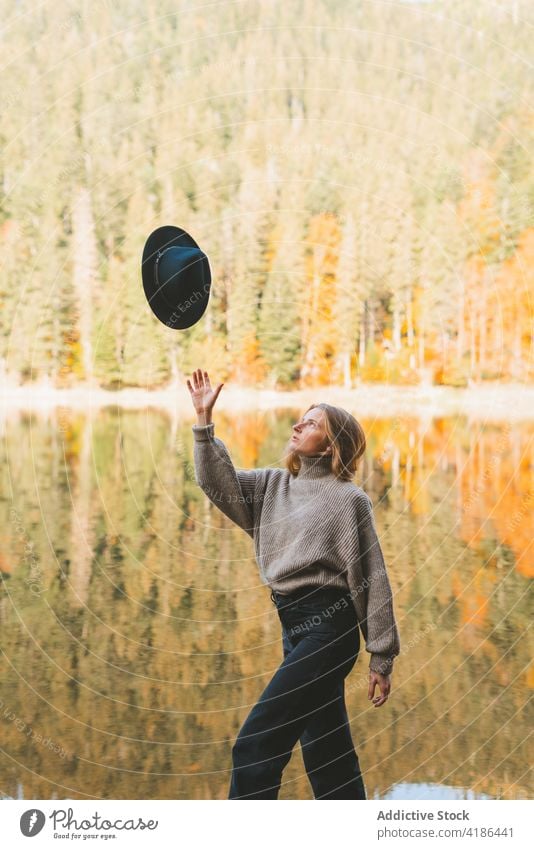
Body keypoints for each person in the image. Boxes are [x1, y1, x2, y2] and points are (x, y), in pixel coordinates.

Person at [187, 368, 401, 800]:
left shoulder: (348, 500)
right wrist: (203, 425)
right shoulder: (272, 485)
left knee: (255, 745)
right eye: (300, 419)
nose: (298, 426)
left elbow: (372, 578)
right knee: (327, 750)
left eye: (313, 422)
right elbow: (217, 482)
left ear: (333, 443)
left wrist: (381, 656)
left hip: (330, 630)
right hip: (293, 626)